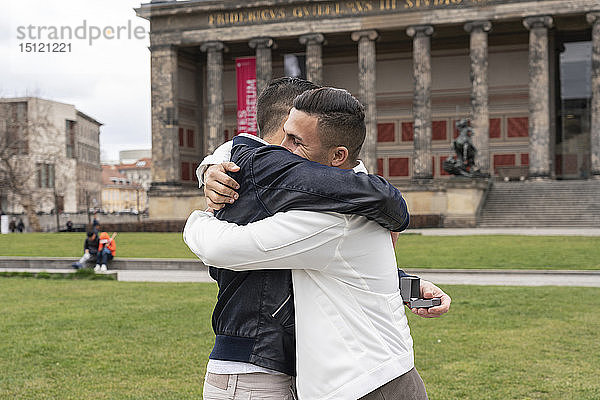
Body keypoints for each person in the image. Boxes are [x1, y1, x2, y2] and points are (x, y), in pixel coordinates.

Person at [191, 82, 450, 399]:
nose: (282, 157)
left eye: (296, 142)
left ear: (337, 155)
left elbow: (219, 247)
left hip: (357, 381)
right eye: (279, 143)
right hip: (261, 367)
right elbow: (327, 266)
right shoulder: (334, 195)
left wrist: (198, 217)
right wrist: (210, 170)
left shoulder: (332, 211)